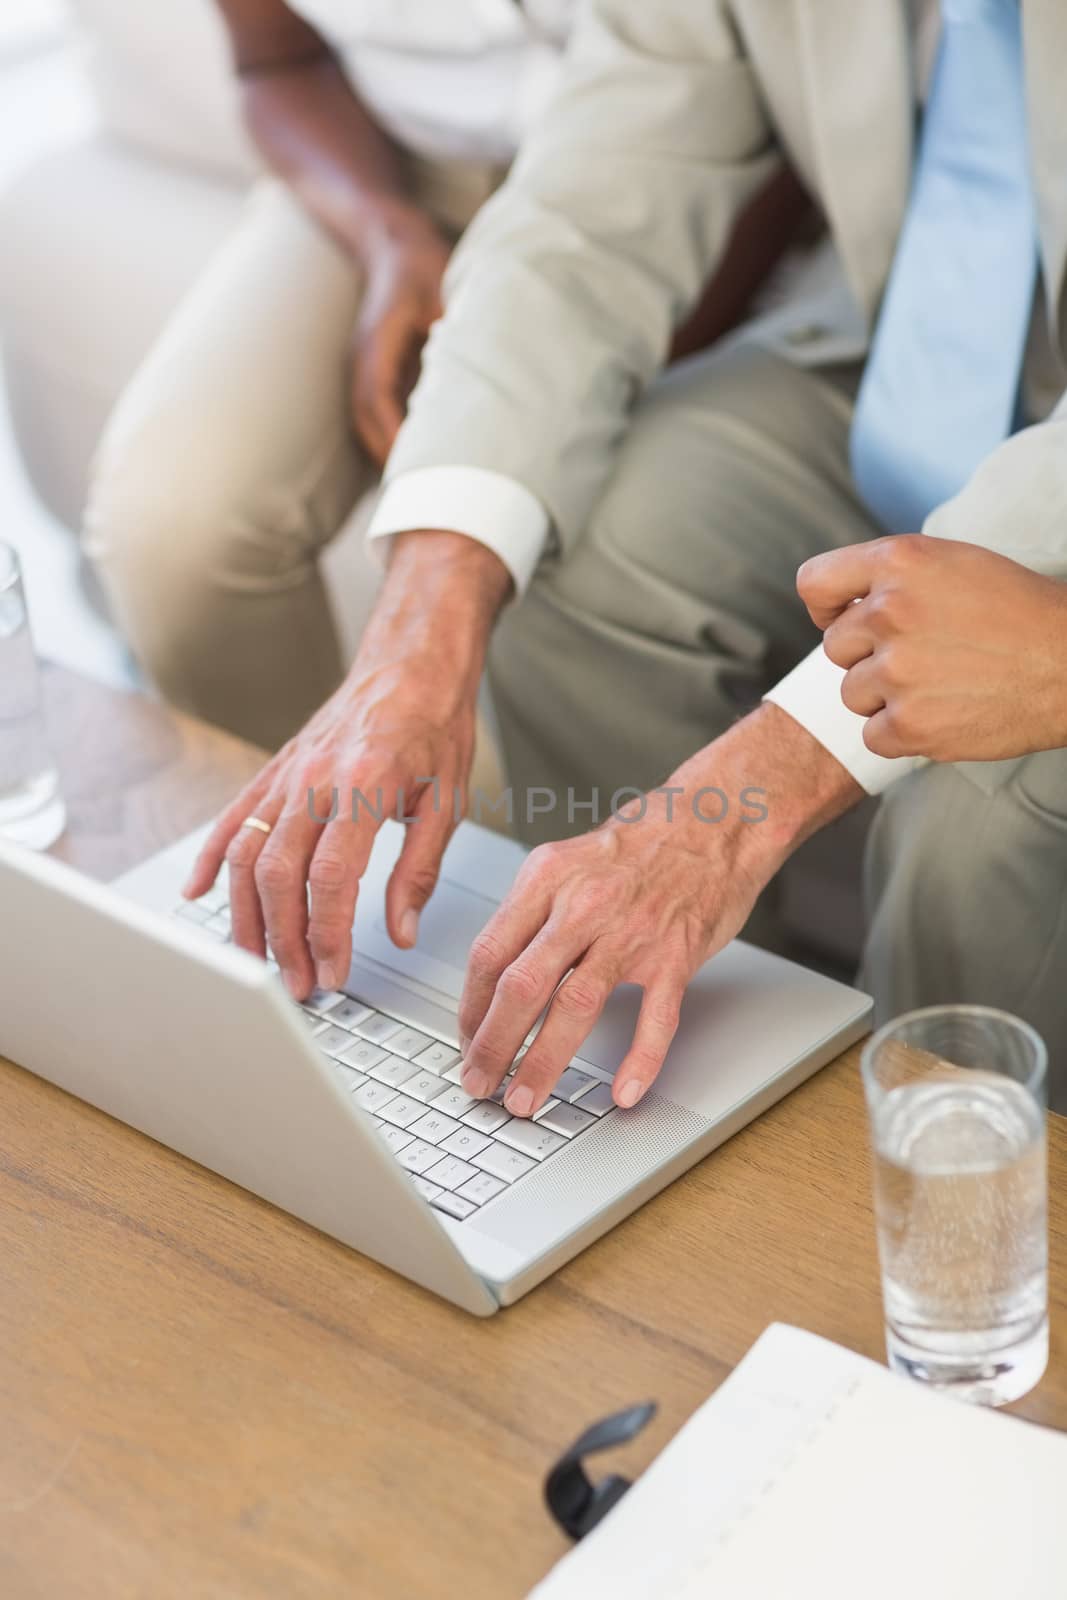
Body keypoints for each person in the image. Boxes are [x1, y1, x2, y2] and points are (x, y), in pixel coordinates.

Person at [184, 0, 1067, 1115]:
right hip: (899, 348)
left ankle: (938, 1187)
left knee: (985, 807)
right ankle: (661, 1087)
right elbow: (585, 211)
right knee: (577, 557)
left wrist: (743, 798)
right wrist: (420, 627)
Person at [84, 0, 581, 749]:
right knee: (172, 524)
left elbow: (759, 93)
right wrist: (386, 236)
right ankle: (300, 845)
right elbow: (275, 61)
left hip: (665, 180)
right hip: (389, 162)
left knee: (589, 529)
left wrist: (604, 344)